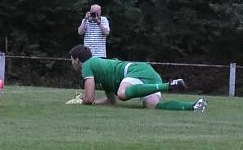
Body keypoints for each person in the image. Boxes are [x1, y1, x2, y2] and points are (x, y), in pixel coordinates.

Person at [68, 45, 207, 112]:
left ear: (77, 60)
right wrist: (93, 103)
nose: (71, 63)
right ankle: (194, 106)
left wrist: (80, 101)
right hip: (148, 74)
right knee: (152, 106)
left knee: (122, 93)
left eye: (71, 60)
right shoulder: (101, 73)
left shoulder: (87, 65)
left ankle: (167, 85)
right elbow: (111, 101)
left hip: (135, 70)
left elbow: (89, 98)